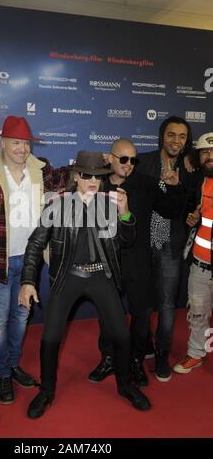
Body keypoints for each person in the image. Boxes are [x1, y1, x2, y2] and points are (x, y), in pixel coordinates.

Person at [19, 150, 151, 419]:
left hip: (101, 276)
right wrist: (27, 280)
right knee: (51, 338)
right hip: (68, 277)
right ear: (77, 176)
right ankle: (46, 390)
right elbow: (35, 244)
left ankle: (125, 385)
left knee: (122, 335)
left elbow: (128, 240)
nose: (93, 181)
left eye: (98, 176)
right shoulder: (57, 205)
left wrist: (125, 214)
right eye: (87, 175)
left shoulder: (111, 204)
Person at [0, 116, 68, 404]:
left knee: (21, 316)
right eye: (16, 142)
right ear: (2, 142)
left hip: (30, 260)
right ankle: (2, 372)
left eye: (26, 143)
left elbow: (67, 179)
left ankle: (13, 364)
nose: (21, 148)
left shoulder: (40, 170)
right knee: (0, 320)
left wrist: (91, 164)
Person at [88, 138, 185, 387]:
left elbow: (172, 210)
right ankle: (108, 358)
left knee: (141, 317)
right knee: (107, 316)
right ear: (109, 158)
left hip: (139, 262)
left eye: (133, 160)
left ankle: (135, 363)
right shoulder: (95, 184)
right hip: (106, 262)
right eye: (123, 159)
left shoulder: (146, 184)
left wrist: (174, 187)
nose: (129, 164)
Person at [136, 116, 196, 382]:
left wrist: (193, 215)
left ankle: (162, 354)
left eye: (182, 136)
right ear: (162, 136)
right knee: (143, 304)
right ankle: (143, 347)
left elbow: (194, 204)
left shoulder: (190, 169)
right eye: (172, 135)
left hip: (171, 246)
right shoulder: (144, 162)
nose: (176, 141)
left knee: (167, 305)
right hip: (142, 243)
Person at [173, 132, 213, 374]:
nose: (209, 157)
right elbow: (196, 215)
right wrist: (193, 218)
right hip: (200, 263)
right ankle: (196, 353)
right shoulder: (200, 182)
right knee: (197, 312)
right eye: (205, 153)